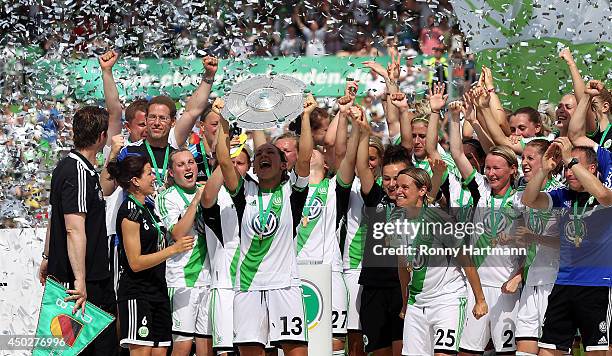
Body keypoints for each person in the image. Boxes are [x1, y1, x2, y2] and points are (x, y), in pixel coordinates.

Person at [208, 95, 316, 355]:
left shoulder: (293, 192)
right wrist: (223, 121)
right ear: (255, 167)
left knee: (296, 351)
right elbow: (224, 161)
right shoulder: (244, 193)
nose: (263, 156)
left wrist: (305, 116)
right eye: (259, 155)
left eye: (270, 153)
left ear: (282, 165)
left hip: (285, 284)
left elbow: (305, 158)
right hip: (247, 285)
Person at [521, 137, 612, 355]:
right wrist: (543, 170)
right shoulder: (563, 196)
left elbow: (603, 195)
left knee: (595, 351)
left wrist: (570, 158)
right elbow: (529, 200)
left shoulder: (604, 193)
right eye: (566, 166)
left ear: (591, 168)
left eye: (574, 165)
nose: (568, 171)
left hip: (597, 285)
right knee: (548, 350)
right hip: (563, 283)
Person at [39, 106, 118, 355]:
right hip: (84, 283)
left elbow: (57, 216)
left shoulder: (74, 168)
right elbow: (74, 229)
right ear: (101, 136)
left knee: (69, 349)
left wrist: (47, 256)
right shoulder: (76, 172)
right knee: (84, 349)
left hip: (79, 278)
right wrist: (80, 282)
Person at [449, 105, 525, 355]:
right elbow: (456, 152)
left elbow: (533, 246)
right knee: (467, 352)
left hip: (507, 290)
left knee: (506, 352)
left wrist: (519, 276)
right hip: (476, 287)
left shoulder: (522, 200)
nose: (490, 173)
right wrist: (453, 117)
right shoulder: (480, 189)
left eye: (497, 169)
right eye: (488, 168)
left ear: (513, 170)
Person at [392, 167, 488, 356]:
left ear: (422, 190)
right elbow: (403, 267)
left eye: (405, 187)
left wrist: (480, 300)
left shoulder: (439, 219)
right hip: (416, 303)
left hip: (447, 300)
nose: (399, 191)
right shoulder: (395, 221)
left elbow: (465, 259)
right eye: (397, 187)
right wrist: (405, 303)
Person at [108, 154, 194, 353]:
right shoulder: (129, 211)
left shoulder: (149, 207)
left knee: (161, 350)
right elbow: (135, 262)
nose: (154, 177)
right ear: (135, 181)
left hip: (158, 291)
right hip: (138, 294)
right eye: (149, 173)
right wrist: (173, 250)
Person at [154, 149, 212, 355]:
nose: (188, 168)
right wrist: (196, 201)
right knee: (183, 344)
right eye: (181, 165)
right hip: (181, 279)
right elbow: (178, 233)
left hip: (210, 278)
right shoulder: (166, 197)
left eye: (191, 163)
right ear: (171, 172)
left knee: (206, 344)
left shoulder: (209, 191)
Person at [199, 136, 253, 355]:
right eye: (231, 161)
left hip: (254, 286)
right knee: (226, 352)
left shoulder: (258, 190)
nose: (234, 166)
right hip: (225, 286)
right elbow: (206, 199)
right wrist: (226, 158)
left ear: (250, 166)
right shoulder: (216, 193)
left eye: (240, 162)